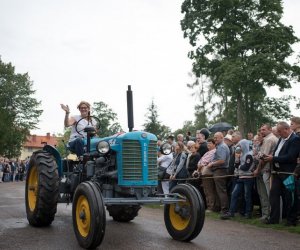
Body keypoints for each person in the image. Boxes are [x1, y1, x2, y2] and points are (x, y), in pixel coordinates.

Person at [264, 121, 300, 226]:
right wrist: (270, 156)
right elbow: (277, 152)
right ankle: (274, 218)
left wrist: (273, 158)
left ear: (287, 129)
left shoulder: (295, 139)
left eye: (280, 131)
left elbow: (291, 157)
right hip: (277, 172)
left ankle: (291, 220)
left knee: (290, 197)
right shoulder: (281, 138)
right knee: (273, 195)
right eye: (278, 131)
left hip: (288, 172)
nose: (278, 133)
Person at [221, 139, 255, 219]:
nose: (239, 147)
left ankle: (248, 213)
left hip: (248, 177)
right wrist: (237, 159)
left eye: (240, 145)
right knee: (234, 194)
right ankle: (231, 212)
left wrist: (239, 166)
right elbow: (236, 165)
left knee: (247, 195)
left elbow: (246, 167)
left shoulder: (249, 155)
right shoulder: (241, 154)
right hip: (241, 177)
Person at [253, 124, 278, 222]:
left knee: (266, 194)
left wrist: (257, 170)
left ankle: (267, 215)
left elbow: (264, 158)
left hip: (267, 170)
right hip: (267, 170)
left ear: (270, 129)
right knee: (266, 194)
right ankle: (268, 215)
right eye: (261, 130)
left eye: (264, 130)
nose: (262, 131)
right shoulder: (269, 139)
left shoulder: (269, 139)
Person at [206, 132, 230, 217]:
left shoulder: (222, 147)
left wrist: (212, 164)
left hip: (220, 170)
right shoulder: (220, 146)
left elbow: (222, 160)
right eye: (214, 137)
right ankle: (220, 208)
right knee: (219, 190)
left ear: (222, 137)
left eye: (216, 138)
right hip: (219, 170)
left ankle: (224, 210)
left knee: (221, 191)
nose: (215, 139)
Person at [194, 138, 218, 211]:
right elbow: (200, 162)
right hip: (203, 172)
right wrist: (199, 166)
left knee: (209, 191)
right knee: (206, 191)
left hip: (207, 173)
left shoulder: (214, 151)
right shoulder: (207, 152)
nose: (208, 145)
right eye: (207, 143)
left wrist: (200, 165)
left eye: (210, 143)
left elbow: (204, 162)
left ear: (214, 144)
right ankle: (209, 206)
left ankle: (211, 207)